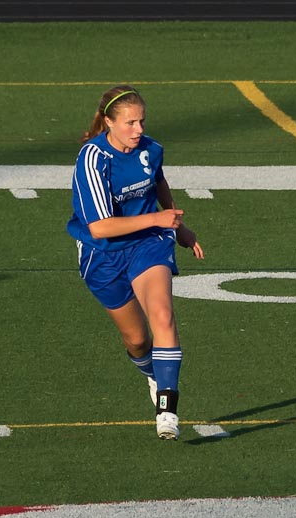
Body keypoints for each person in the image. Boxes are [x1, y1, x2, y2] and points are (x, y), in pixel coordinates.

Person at [67, 85, 204, 440]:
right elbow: (100, 226)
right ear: (109, 122)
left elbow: (158, 181)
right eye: (130, 123)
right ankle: (151, 373)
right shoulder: (93, 159)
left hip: (149, 246)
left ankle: (167, 410)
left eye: (141, 121)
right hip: (104, 255)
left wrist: (178, 226)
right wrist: (157, 219)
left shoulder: (151, 149)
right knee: (138, 341)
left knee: (162, 314)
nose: (138, 129)